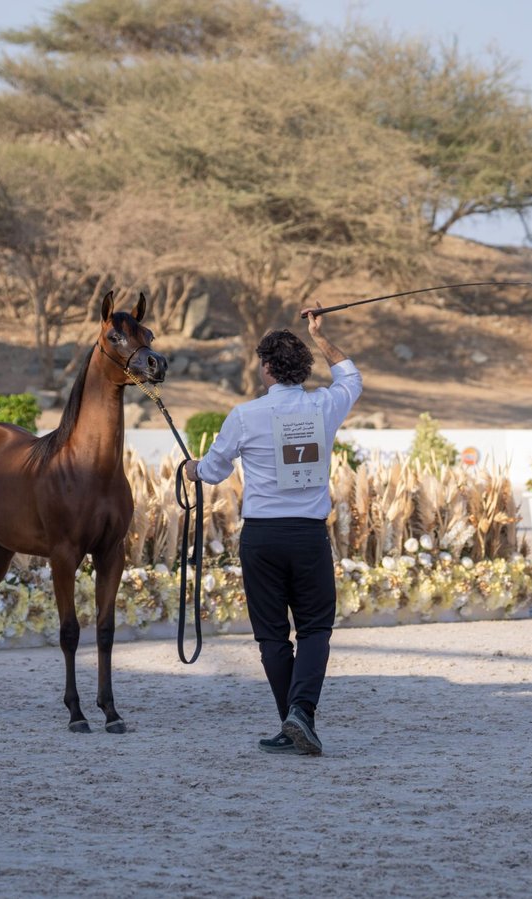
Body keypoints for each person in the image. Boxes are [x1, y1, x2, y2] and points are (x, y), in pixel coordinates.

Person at [182, 306, 359, 756]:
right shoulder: (325, 405)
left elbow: (213, 470)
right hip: (307, 535)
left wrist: (191, 468)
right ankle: (299, 714)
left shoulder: (244, 415)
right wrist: (320, 335)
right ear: (302, 369)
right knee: (316, 628)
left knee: (272, 636)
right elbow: (350, 377)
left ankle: (293, 719)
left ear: (265, 369)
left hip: (261, 537)